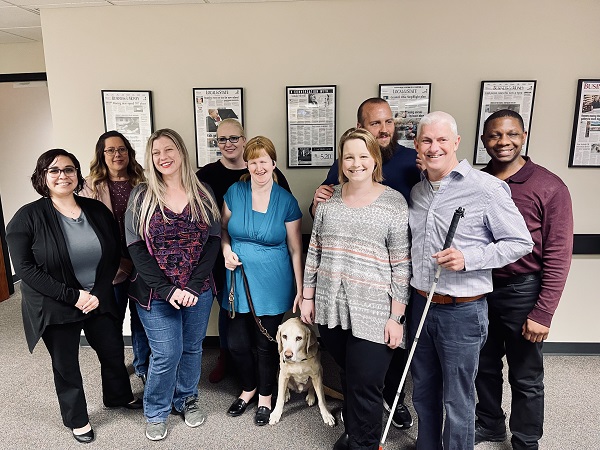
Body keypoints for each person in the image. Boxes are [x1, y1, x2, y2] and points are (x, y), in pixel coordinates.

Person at [408, 111, 534, 450]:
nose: (434, 147)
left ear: (456, 143)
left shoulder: (487, 189)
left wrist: (469, 260)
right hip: (420, 303)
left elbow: (521, 242)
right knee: (423, 392)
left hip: (461, 312)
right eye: (427, 140)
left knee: (458, 400)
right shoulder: (417, 192)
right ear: (417, 144)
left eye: (442, 140)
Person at [6, 149, 141, 444]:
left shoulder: (96, 211)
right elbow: (26, 270)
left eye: (69, 169)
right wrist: (73, 296)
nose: (62, 176)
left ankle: (118, 396)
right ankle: (76, 418)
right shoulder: (27, 217)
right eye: (53, 171)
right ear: (42, 177)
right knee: (66, 364)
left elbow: (112, 255)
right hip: (55, 302)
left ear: (78, 175)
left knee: (112, 349)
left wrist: (98, 292)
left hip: (97, 296)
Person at [311, 97, 420, 435]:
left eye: (389, 121)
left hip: (381, 292)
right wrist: (317, 202)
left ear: (373, 159)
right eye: (376, 122)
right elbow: (319, 238)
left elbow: (403, 258)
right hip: (337, 295)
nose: (384, 127)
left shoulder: (408, 168)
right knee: (354, 374)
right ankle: (358, 427)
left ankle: (384, 413)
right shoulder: (336, 191)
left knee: (373, 372)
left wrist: (396, 314)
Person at [475, 110, 573, 450]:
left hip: (523, 292)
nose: (503, 142)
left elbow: (559, 254)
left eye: (511, 134)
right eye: (495, 136)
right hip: (480, 290)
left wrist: (543, 313)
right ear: (484, 139)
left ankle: (526, 440)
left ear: (524, 135)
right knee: (482, 366)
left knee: (526, 375)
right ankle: (489, 425)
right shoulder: (478, 182)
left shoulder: (549, 186)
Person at [125, 129, 221, 441]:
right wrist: (168, 289)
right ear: (150, 159)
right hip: (155, 293)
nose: (163, 157)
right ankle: (156, 410)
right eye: (156, 152)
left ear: (181, 153)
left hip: (198, 291)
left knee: (193, 348)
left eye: (169, 150)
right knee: (167, 352)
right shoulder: (141, 195)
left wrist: (192, 287)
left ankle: (187, 398)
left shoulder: (203, 192)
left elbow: (213, 242)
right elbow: (136, 247)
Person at [196, 118, 292, 383]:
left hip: (266, 266)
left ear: (244, 140)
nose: (228, 144)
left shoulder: (273, 177)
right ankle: (228, 359)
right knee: (232, 316)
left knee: (261, 327)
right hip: (221, 257)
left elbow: (283, 214)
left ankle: (260, 381)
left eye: (233, 138)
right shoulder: (206, 175)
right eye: (222, 139)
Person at [221, 136, 302, 426]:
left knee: (265, 344)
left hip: (273, 282)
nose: (258, 166)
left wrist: (301, 290)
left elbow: (295, 249)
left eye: (263, 161)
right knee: (237, 344)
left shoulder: (286, 201)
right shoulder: (234, 191)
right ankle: (248, 388)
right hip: (238, 280)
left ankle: (265, 398)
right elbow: (223, 231)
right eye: (253, 160)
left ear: (273, 163)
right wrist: (226, 250)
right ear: (247, 163)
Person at [80, 130, 150, 384]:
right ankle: (116, 374)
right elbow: (86, 232)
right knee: (112, 322)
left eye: (122, 149)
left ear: (129, 153)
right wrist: (120, 261)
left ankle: (143, 366)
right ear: (102, 155)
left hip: (142, 264)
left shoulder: (142, 183)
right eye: (110, 150)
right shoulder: (89, 187)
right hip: (112, 267)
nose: (117, 154)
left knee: (142, 320)